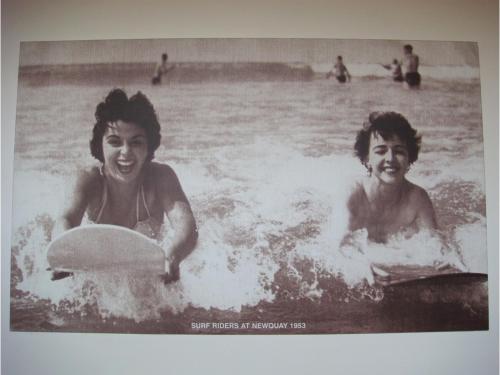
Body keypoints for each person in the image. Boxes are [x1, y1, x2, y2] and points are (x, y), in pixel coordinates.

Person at [53, 88, 198, 282]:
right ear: (100, 146)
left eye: (136, 142)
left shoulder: (161, 177)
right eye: (115, 142)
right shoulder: (89, 179)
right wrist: (64, 249)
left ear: (149, 147)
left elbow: (186, 226)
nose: (126, 152)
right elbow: (65, 219)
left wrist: (172, 255)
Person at [344, 111, 437, 244]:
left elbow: (437, 245)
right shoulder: (352, 194)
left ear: (409, 158)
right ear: (366, 158)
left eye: (399, 151)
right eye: (381, 151)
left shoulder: (417, 198)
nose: (390, 159)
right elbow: (339, 248)